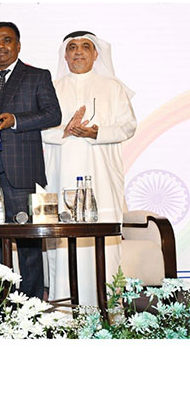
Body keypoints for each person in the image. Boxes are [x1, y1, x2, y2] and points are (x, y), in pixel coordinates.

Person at [0, 22, 61, 299]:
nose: (1, 46)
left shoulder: (37, 76)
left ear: (18, 45)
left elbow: (53, 115)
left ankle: (31, 305)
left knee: (29, 244)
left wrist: (16, 120)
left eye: (7, 40)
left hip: (21, 173)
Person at [42, 31, 137, 305]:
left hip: (102, 177)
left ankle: (108, 307)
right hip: (60, 175)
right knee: (61, 240)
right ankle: (63, 308)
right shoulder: (52, 87)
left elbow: (128, 126)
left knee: (103, 241)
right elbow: (38, 131)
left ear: (96, 54)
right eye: (72, 47)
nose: (78, 52)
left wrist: (96, 132)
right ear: (65, 54)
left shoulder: (113, 87)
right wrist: (66, 130)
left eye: (85, 47)